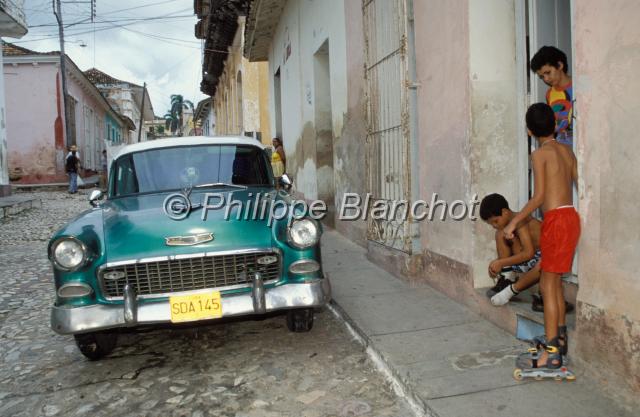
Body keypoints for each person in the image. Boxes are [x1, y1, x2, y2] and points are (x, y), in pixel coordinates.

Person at [504, 103, 580, 370]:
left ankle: (551, 354)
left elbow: (538, 197)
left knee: (547, 287)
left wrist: (514, 221)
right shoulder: (567, 151)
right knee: (555, 282)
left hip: (556, 221)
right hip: (570, 218)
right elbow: (578, 185)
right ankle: (560, 338)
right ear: (556, 125)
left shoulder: (540, 155)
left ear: (529, 130)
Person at [479, 193, 542, 306]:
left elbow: (529, 253)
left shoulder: (520, 221)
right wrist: (497, 266)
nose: (494, 225)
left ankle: (512, 289)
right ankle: (507, 278)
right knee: (500, 233)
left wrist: (500, 262)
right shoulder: (505, 228)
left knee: (543, 266)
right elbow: (521, 252)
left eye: (495, 221)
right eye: (491, 223)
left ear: (505, 212)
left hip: (542, 256)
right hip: (528, 259)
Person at [530, 46, 573, 146]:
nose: (546, 79)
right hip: (562, 150)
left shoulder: (578, 87)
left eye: (548, 72)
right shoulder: (549, 94)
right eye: (542, 76)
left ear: (559, 65)